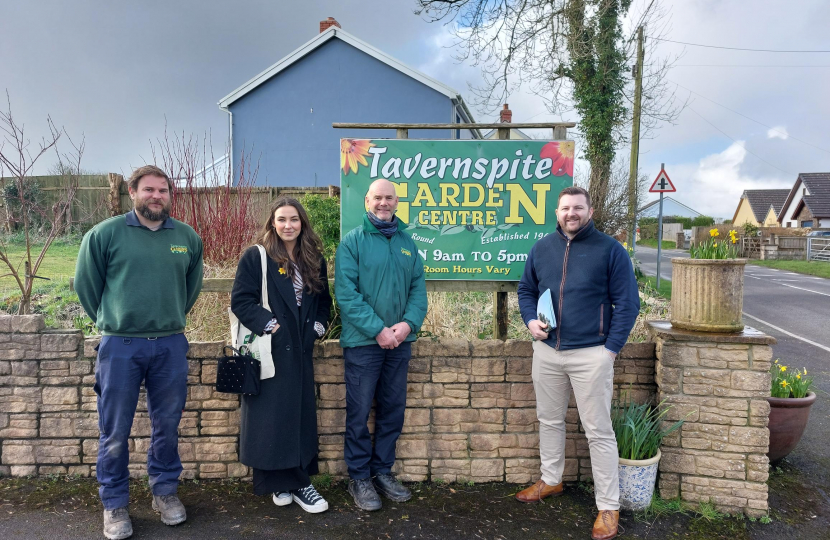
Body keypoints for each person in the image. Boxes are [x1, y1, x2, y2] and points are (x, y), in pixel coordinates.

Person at [75, 165, 203, 540]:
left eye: (163, 190)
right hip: (120, 346)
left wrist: (168, 319)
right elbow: (87, 287)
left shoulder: (186, 237)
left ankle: (164, 492)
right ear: (133, 192)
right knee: (114, 431)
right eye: (149, 189)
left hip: (169, 345)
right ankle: (114, 503)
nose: (156, 196)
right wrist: (115, 320)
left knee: (167, 426)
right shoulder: (105, 234)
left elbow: (190, 288)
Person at [516, 186, 640, 540]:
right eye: (566, 208)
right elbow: (526, 290)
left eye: (578, 208)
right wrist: (529, 321)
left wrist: (610, 351)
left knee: (598, 431)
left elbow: (628, 304)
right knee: (549, 420)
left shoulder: (610, 250)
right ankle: (551, 480)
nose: (572, 213)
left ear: (590, 210)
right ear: (557, 212)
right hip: (547, 352)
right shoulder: (542, 248)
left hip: (592, 354)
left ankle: (608, 506)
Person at [230, 197, 332, 514]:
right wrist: (270, 326)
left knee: (298, 416)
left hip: (301, 349)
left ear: (302, 223)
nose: (288, 225)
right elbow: (241, 301)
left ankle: (300, 483)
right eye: (282, 219)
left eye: (294, 219)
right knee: (270, 419)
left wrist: (318, 326)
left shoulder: (314, 258)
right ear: (272, 223)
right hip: (270, 350)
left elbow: (323, 301)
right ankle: (279, 483)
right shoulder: (256, 256)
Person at [335, 178, 428, 511]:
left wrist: (406, 325)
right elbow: (346, 294)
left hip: (400, 343)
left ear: (397, 202)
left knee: (392, 411)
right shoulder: (352, 243)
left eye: (389, 198)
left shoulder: (407, 243)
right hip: (363, 343)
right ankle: (359, 478)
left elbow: (419, 290)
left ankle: (382, 472)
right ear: (367, 201)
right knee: (359, 414)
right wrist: (378, 329)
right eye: (378, 198)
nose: (383, 203)